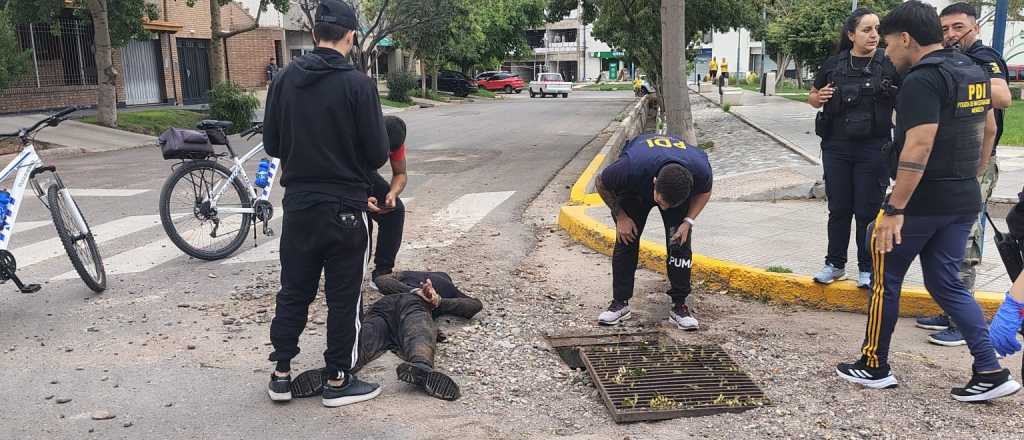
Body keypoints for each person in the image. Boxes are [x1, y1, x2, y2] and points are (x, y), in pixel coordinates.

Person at [835, 1, 1019, 402]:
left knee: (886, 280)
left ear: (905, 38)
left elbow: (918, 144)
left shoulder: (922, 79)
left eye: (888, 43)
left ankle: (873, 365)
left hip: (920, 203)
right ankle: (990, 369)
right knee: (947, 284)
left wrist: (895, 209)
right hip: (962, 199)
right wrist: (971, 176)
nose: (886, 52)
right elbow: (988, 127)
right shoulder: (971, 70)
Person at [263, 0, 390, 408]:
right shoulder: (358, 85)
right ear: (351, 36)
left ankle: (280, 373)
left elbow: (271, 144)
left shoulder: (283, 79)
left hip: (299, 205)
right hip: (346, 209)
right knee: (344, 297)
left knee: (294, 290)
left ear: (316, 33)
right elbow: (376, 154)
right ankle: (337, 380)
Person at [916, 2, 1014, 347]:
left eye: (958, 27)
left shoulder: (983, 57)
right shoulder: (950, 60)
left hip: (976, 163)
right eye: (944, 29)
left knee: (965, 240)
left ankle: (962, 321)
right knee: (947, 241)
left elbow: (1002, 97)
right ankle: (950, 311)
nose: (951, 35)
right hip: (953, 162)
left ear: (974, 28)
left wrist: (963, 81)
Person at [807, 8, 900, 289]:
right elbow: (812, 95)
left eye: (876, 29)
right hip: (837, 146)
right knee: (839, 208)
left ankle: (867, 268)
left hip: (874, 148)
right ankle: (835, 264)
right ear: (851, 34)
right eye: (866, 30)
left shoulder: (888, 63)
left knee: (867, 210)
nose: (874, 35)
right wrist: (817, 97)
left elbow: (906, 98)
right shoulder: (835, 64)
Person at [289, 274, 483, 401]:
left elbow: (474, 305)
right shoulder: (409, 276)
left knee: (410, 329)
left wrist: (438, 300)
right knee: (407, 330)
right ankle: (336, 372)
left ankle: (336, 372)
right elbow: (382, 280)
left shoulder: (447, 286)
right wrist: (415, 291)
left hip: (404, 306)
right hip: (397, 303)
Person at [594, 132, 713, 330]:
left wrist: (688, 221)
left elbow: (705, 192)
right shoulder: (629, 167)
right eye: (660, 203)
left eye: (669, 206)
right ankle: (620, 303)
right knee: (626, 239)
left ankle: (680, 305)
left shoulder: (700, 169)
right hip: (636, 190)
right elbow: (601, 183)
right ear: (655, 182)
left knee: (680, 242)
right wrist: (621, 216)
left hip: (672, 183)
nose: (663, 209)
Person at [367, 115, 409, 283]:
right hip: (339, 175)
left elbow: (400, 173)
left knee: (395, 211)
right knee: (360, 222)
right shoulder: (357, 137)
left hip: (367, 173)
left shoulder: (395, 141)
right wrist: (360, 200)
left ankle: (383, 272)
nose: (387, 155)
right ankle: (352, 269)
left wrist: (392, 193)